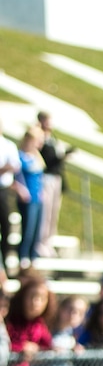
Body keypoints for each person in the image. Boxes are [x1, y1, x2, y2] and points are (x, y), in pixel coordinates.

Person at [37, 110, 74, 254]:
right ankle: (41, 242)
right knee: (45, 212)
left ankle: (48, 241)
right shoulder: (40, 137)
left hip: (56, 176)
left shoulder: (52, 137)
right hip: (46, 177)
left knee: (53, 211)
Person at [16, 126, 46, 269]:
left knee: (37, 229)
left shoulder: (36, 156)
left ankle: (33, 255)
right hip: (27, 198)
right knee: (27, 229)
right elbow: (17, 176)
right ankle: (23, 256)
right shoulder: (20, 156)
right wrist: (21, 189)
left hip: (37, 197)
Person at [0, 120, 26, 282]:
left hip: (4, 190)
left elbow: (15, 165)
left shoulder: (8, 145)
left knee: (7, 227)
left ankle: (5, 264)